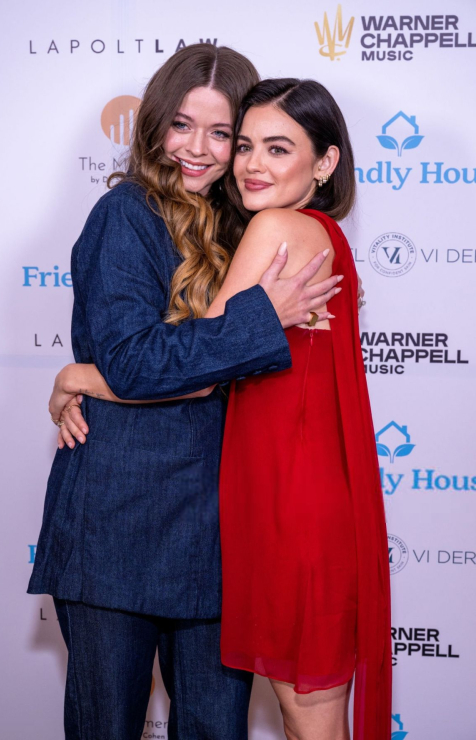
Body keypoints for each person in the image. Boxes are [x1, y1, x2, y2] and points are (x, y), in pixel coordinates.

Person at [28, 45, 342, 740]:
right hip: (118, 523)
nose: (198, 150)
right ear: (153, 128)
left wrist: (80, 377)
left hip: (221, 532)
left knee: (215, 730)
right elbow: (137, 362)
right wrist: (263, 318)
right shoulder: (126, 216)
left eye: (222, 133)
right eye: (180, 125)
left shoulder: (250, 223)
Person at [206, 79, 392, 740]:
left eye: (278, 148)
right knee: (309, 716)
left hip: (291, 510)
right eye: (247, 145)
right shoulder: (326, 235)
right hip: (304, 502)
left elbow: (199, 361)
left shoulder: (277, 227)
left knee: (308, 716)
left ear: (324, 163)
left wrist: (80, 374)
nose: (252, 164)